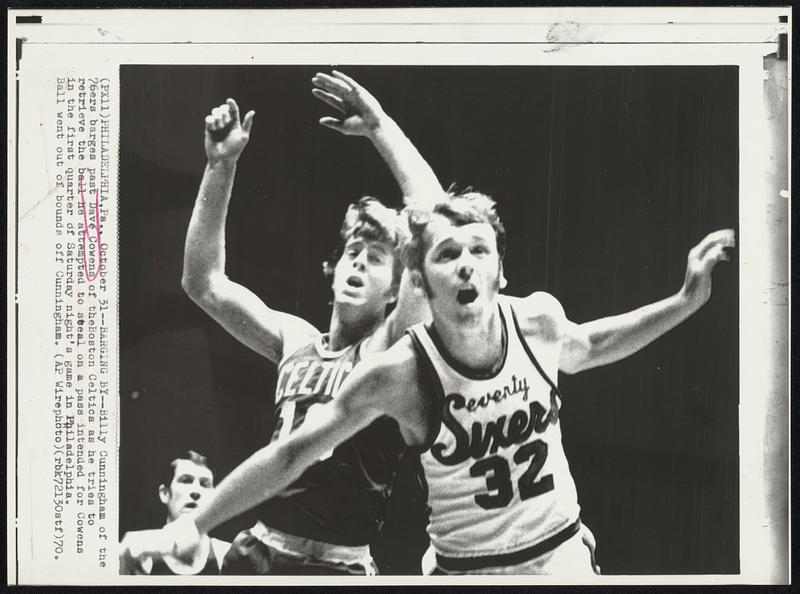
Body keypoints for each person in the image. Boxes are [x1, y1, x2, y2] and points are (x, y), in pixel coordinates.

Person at [139, 189, 735, 575]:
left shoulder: (530, 323)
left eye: (480, 249)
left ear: (502, 267)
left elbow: (596, 343)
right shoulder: (386, 367)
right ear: (427, 281)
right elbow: (290, 450)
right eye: (451, 254)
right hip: (450, 564)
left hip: (551, 554)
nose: (467, 262)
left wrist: (684, 301)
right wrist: (194, 522)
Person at [176, 71, 441, 574]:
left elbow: (432, 220)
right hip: (258, 552)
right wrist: (220, 166)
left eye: (377, 257)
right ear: (332, 268)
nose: (359, 263)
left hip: (338, 566)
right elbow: (203, 282)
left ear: (396, 289)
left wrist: (381, 127)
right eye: (353, 253)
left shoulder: (393, 346)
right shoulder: (294, 338)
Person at [119, 450, 230, 575]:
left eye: (204, 484)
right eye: (186, 480)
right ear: (165, 493)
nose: (196, 491)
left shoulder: (225, 554)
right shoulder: (137, 553)